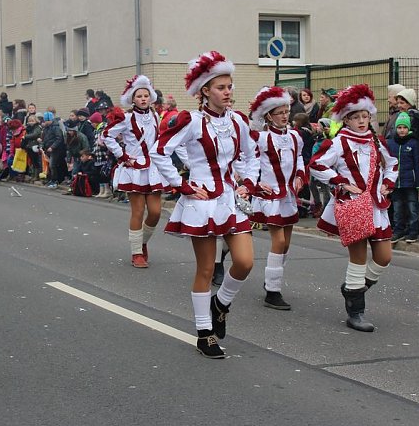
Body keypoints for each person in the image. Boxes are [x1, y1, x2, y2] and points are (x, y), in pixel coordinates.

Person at [150, 51, 258, 358]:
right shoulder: (192, 121)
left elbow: (252, 155)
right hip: (202, 202)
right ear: (205, 91)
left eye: (229, 86)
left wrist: (249, 183)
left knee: (245, 262)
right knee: (207, 268)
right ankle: (204, 333)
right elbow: (160, 151)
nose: (228, 92)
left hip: (230, 200)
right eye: (221, 87)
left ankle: (220, 304)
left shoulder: (238, 121)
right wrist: (182, 185)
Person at [309, 84, 398, 332]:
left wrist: (388, 184)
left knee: (384, 257)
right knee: (358, 259)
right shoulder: (339, 142)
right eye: (355, 117)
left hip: (376, 206)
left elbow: (393, 164)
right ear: (346, 119)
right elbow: (316, 165)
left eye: (364, 116)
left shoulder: (376, 141)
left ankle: (352, 288)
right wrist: (340, 182)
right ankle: (356, 311)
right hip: (353, 205)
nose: (361, 121)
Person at [248, 86, 305, 310]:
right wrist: (255, 183)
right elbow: (248, 161)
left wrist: (300, 175)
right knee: (279, 241)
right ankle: (272, 291)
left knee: (286, 244)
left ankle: (272, 278)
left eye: (286, 112)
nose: (284, 116)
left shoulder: (295, 137)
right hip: (270, 195)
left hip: (288, 195)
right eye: (279, 113)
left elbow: (299, 159)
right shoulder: (261, 138)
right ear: (269, 116)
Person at [102, 75, 166, 267]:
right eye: (139, 96)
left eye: (146, 95)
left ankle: (142, 241)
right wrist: (123, 156)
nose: (143, 99)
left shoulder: (155, 116)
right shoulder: (127, 118)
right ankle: (137, 252)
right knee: (138, 211)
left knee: (155, 212)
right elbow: (107, 136)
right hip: (134, 168)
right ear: (133, 99)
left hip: (153, 168)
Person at [387, 112, 419, 243]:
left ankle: (413, 231)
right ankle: (398, 230)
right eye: (399, 127)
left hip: (410, 182)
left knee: (412, 206)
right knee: (397, 207)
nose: (402, 130)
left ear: (409, 129)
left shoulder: (414, 143)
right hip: (396, 182)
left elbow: (417, 165)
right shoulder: (391, 143)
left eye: (404, 127)